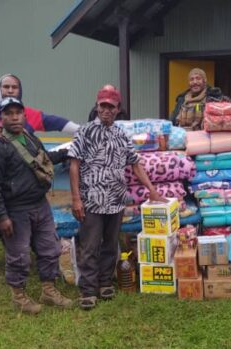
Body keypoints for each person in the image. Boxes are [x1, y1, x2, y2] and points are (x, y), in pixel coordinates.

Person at [68, 88, 164, 310]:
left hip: (116, 200)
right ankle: (88, 290)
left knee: (111, 245)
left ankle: (104, 282)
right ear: (97, 106)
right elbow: (74, 165)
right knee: (90, 245)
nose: (106, 110)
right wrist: (75, 198)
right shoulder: (85, 132)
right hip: (91, 200)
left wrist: (151, 190)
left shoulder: (121, 135)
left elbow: (135, 164)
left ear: (118, 109)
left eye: (111, 106)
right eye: (103, 105)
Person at [0, 73, 79, 274]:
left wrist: (80, 133)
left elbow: (54, 125)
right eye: (6, 86)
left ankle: (41, 264)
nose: (10, 90)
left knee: (29, 226)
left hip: (23, 186)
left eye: (14, 87)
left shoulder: (28, 118)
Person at [0, 97, 73, 314]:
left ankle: (48, 291)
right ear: (0, 118)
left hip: (39, 204)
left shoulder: (30, 137)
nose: (14, 117)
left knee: (50, 248)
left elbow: (44, 159)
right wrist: (2, 216)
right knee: (19, 255)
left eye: (18, 113)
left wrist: (67, 152)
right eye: (8, 113)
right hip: (15, 209)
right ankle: (18, 296)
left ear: (24, 115)